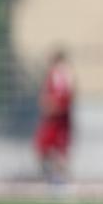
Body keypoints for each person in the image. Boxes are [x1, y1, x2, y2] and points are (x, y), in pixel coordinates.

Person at [34, 48, 74, 187]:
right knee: (44, 147)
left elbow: (65, 98)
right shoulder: (53, 75)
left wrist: (53, 106)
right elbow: (46, 95)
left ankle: (60, 179)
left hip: (58, 120)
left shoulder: (63, 75)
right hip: (52, 119)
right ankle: (53, 176)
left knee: (59, 150)